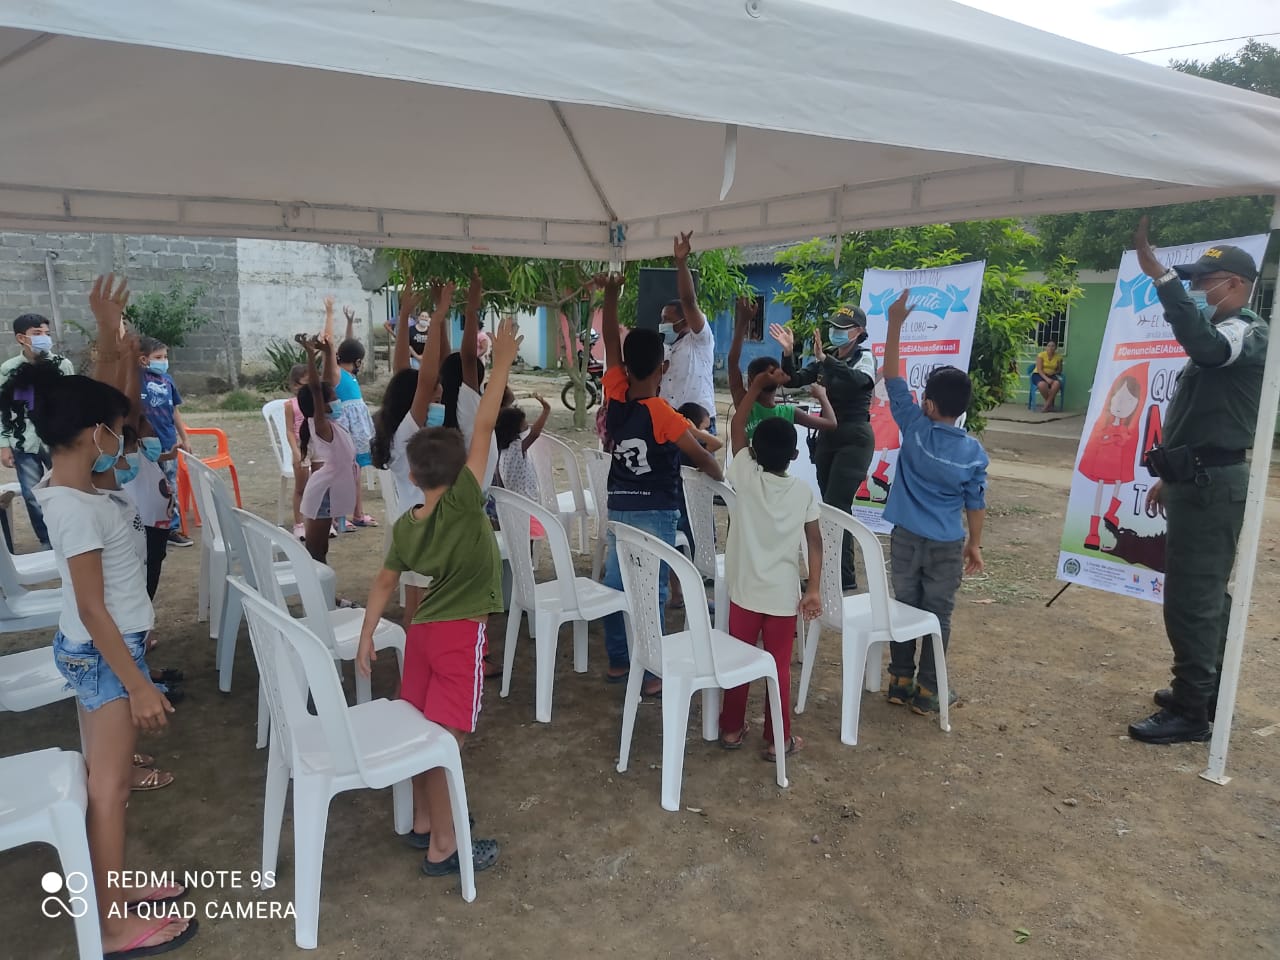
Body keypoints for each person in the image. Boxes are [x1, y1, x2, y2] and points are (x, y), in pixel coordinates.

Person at [6, 274, 198, 959]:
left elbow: (100, 401)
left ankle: (117, 887)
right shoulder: (76, 505)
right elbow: (92, 605)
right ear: (93, 436)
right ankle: (113, 925)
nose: (125, 440)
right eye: (115, 433)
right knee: (111, 789)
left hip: (96, 650)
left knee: (105, 784)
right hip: (102, 654)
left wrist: (110, 336)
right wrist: (139, 684)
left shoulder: (80, 478)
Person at [356, 315, 522, 879]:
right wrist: (498, 363)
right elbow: (484, 429)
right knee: (444, 741)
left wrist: (364, 638)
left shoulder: (407, 525)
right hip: (459, 636)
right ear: (461, 476)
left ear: (414, 473)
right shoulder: (465, 503)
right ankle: (447, 845)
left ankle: (427, 821)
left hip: (421, 634)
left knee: (425, 731)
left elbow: (382, 583)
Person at [1128, 218, 1268, 744]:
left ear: (1233, 284)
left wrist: (1160, 279)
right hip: (1197, 479)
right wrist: (1172, 477)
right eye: (1186, 282)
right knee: (1206, 595)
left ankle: (1192, 708)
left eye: (1200, 282)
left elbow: (1208, 347)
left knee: (1193, 598)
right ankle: (1208, 685)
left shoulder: (1245, 331)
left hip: (1213, 484)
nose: (1193, 289)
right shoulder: (1227, 332)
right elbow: (1200, 419)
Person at [596, 272, 723, 695]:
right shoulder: (665, 415)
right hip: (656, 510)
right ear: (664, 367)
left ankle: (618, 660)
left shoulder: (615, 393)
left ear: (627, 368)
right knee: (651, 590)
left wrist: (611, 295)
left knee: (616, 586)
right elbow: (703, 459)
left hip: (620, 506)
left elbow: (612, 343)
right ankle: (651, 672)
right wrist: (722, 475)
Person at [879, 290, 987, 715]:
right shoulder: (974, 453)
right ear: (962, 409)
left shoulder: (914, 426)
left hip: (905, 537)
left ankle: (898, 680)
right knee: (937, 616)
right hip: (945, 544)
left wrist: (894, 324)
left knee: (903, 608)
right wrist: (973, 544)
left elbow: (890, 376)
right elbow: (975, 503)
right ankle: (928, 690)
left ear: (928, 403)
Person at [717, 368, 823, 759]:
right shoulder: (802, 491)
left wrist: (757, 386)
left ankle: (730, 730)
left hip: (744, 592)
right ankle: (778, 740)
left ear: (753, 453)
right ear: (795, 457)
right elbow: (815, 541)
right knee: (777, 668)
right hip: (782, 598)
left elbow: (738, 426)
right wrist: (812, 588)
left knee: (739, 661)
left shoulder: (744, 474)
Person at [772, 306, 877, 591]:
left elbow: (861, 382)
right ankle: (841, 574)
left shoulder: (864, 358)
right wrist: (788, 352)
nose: (837, 332)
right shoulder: (826, 358)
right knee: (833, 508)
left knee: (835, 506)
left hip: (854, 436)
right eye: (834, 327)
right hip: (828, 435)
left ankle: (837, 576)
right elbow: (793, 380)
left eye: (843, 328)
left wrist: (825, 361)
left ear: (858, 333)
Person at [0, 312, 74, 548]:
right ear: (22, 338)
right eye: (37, 334)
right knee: (33, 495)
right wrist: (3, 444)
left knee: (67, 489)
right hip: (24, 443)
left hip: (59, 441)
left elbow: (74, 403)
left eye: (46, 334)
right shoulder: (9, 370)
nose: (44, 338)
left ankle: (70, 534)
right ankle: (47, 539)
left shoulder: (62, 365)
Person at [728, 297, 836, 448]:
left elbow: (732, 363)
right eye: (772, 373)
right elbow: (831, 424)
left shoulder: (749, 405)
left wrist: (742, 323)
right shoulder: (781, 410)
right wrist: (822, 397)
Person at [295, 322, 358, 567]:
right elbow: (316, 389)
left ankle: (324, 595)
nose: (338, 400)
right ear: (322, 405)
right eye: (333, 399)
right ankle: (320, 598)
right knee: (315, 550)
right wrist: (311, 355)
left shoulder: (333, 422)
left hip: (330, 490)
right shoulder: (320, 424)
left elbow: (325, 383)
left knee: (322, 547)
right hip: (323, 494)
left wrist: (327, 352)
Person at [1076, 367, 1147, 551]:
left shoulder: (1127, 431)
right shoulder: (1105, 426)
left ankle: (1111, 513)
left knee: (1117, 483)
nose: (1121, 404)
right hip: (1103, 458)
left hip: (1116, 459)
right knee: (1100, 488)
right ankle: (1094, 532)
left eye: (1129, 400)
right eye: (1118, 397)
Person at [138, 335, 193, 548]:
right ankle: (146, 528)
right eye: (158, 357)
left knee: (169, 487)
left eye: (165, 356)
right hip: (144, 446)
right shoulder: (136, 379)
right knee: (146, 487)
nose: (163, 361)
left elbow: (175, 412)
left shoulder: (167, 380)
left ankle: (172, 528)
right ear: (143, 360)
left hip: (168, 442)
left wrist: (184, 438)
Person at [659, 232, 717, 431]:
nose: (662, 324)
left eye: (668, 319)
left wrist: (681, 263)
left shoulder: (700, 340)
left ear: (685, 321)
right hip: (668, 420)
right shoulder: (665, 347)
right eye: (661, 319)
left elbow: (688, 301)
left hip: (698, 423)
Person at [334, 304, 378, 528]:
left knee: (355, 474)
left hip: (356, 435)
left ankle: (358, 513)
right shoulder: (336, 372)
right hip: (345, 433)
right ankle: (340, 516)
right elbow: (341, 350)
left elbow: (347, 346)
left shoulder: (347, 372)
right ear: (357, 360)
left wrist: (350, 323)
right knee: (346, 475)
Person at [495, 394, 551, 525]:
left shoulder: (502, 449)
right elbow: (534, 434)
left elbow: (498, 476)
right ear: (515, 427)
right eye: (524, 421)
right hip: (526, 505)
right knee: (528, 541)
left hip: (513, 504)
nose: (527, 423)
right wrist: (546, 410)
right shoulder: (515, 447)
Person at [1033, 340, 1065, 412]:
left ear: (1056, 348)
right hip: (1039, 374)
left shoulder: (1058, 357)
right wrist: (1047, 379)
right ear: (1046, 347)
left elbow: (1059, 370)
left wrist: (1054, 372)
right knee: (1042, 385)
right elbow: (1039, 370)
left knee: (1057, 384)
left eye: (1053, 346)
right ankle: (1050, 405)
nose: (1050, 348)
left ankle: (1047, 405)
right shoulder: (1041, 355)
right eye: (1048, 346)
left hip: (1051, 375)